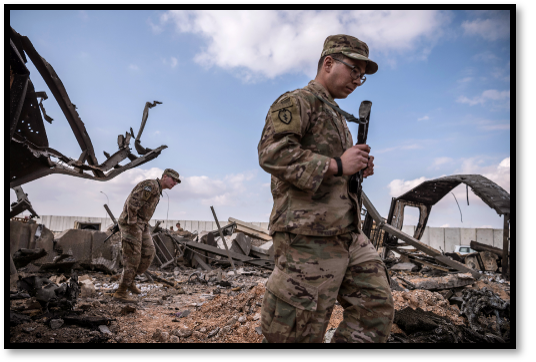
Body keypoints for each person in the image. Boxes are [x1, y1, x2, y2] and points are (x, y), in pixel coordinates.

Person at [257, 34, 394, 343]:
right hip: (308, 238)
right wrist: (337, 165)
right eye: (354, 70)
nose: (358, 80)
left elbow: (334, 169)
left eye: (363, 76)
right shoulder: (297, 101)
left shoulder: (337, 116)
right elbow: (272, 154)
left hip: (346, 234)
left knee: (375, 307)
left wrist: (355, 172)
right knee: (296, 333)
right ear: (328, 63)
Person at [112, 168, 181, 303]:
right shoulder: (151, 186)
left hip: (142, 224)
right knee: (133, 256)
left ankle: (130, 281)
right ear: (165, 176)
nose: (175, 183)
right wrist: (132, 223)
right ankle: (121, 291)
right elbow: (132, 202)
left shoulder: (157, 190)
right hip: (133, 223)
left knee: (149, 252)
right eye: (173, 179)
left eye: (177, 182)